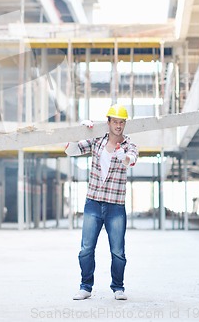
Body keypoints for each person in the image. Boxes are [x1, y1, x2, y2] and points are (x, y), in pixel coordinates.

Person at [65, 104, 139, 301]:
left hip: (115, 206)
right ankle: (85, 286)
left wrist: (124, 158)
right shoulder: (96, 141)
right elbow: (71, 151)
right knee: (86, 249)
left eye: (121, 122)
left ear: (125, 124)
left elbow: (131, 159)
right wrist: (78, 131)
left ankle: (118, 287)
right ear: (108, 122)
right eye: (115, 121)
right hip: (94, 203)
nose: (118, 125)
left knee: (118, 251)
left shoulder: (129, 145)